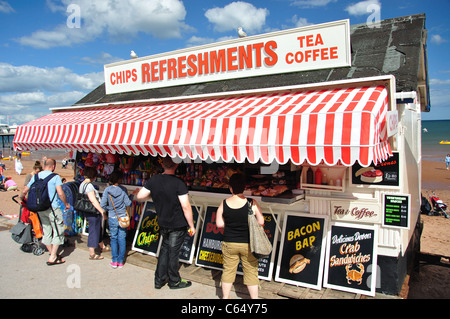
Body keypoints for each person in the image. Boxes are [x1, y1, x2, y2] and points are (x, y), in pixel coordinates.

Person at [136, 157, 196, 290]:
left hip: (163, 222)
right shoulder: (179, 183)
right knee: (173, 253)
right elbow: (186, 206)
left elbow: (140, 196)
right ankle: (174, 281)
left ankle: (159, 280)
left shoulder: (154, 180)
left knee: (165, 251)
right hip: (177, 223)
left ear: (162, 164)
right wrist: (191, 225)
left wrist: (154, 195)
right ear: (175, 165)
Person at [216, 173, 265, 299]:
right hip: (248, 243)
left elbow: (219, 224)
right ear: (244, 188)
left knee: (228, 270)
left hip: (230, 242)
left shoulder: (224, 203)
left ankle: (225, 297)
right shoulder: (251, 203)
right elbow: (261, 222)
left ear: (230, 188)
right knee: (251, 272)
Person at [19, 158, 70, 265]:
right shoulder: (55, 177)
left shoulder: (36, 176)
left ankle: (53, 254)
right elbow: (60, 193)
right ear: (53, 166)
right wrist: (66, 204)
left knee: (46, 230)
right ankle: (52, 257)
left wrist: (22, 198)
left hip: (41, 208)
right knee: (58, 230)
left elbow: (25, 191)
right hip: (53, 208)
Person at [100, 170, 132, 269]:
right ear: (119, 179)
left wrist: (110, 209)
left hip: (112, 217)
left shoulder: (107, 190)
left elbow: (102, 205)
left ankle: (114, 261)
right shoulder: (123, 190)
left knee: (113, 238)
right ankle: (120, 261)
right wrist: (132, 196)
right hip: (122, 217)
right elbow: (128, 203)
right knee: (122, 239)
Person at [79, 167, 106, 260]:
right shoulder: (89, 186)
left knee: (97, 228)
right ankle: (92, 253)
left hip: (86, 210)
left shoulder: (82, 184)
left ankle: (102, 246)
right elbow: (93, 200)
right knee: (93, 230)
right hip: (92, 211)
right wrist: (101, 211)